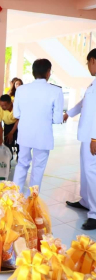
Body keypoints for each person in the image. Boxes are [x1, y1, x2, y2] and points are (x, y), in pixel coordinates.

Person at [13, 59, 63, 196]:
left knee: (22, 164)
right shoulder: (56, 91)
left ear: (33, 72)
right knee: (38, 167)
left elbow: (16, 114)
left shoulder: (21, 90)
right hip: (43, 135)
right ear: (48, 73)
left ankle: (14, 197)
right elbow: (58, 119)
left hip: (24, 134)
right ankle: (32, 200)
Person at [64, 49, 96, 230]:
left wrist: (95, 138)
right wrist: (68, 114)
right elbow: (84, 103)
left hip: (93, 137)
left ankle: (95, 214)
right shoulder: (93, 84)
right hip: (87, 136)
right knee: (86, 171)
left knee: (92, 174)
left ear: (93, 60)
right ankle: (86, 201)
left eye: (88, 63)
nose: (88, 67)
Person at [0, 95, 19, 160]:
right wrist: (1, 138)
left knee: (19, 143)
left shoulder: (16, 106)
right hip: (7, 126)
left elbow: (19, 120)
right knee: (8, 143)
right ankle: (9, 161)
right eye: (1, 105)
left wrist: (11, 133)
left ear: (10, 103)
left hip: (17, 125)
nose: (2, 107)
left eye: (5, 105)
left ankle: (19, 159)